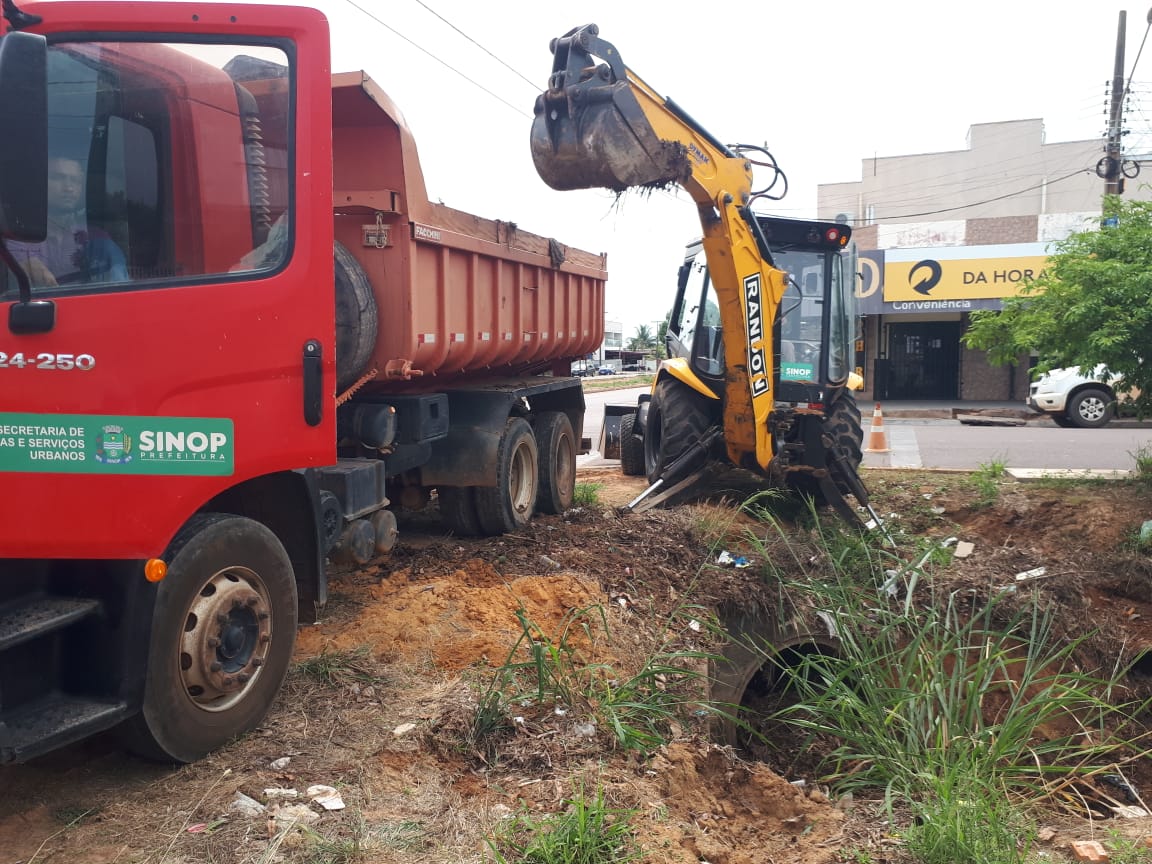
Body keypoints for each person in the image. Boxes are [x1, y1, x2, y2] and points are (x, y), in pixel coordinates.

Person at [8, 156, 128, 287]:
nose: (69, 188)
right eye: (58, 178)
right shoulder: (19, 240)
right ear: (39, 183)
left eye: (76, 180)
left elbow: (120, 285)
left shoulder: (98, 239)